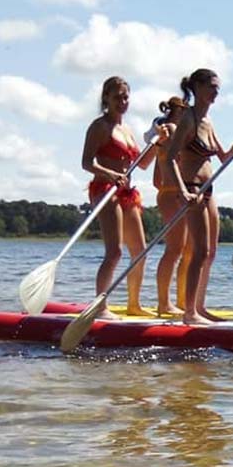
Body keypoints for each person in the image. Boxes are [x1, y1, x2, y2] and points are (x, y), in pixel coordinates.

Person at [164, 68, 233, 325]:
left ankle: (198, 306)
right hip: (191, 188)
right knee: (199, 251)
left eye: (218, 87)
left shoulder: (208, 122)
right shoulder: (188, 118)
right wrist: (183, 191)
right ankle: (189, 313)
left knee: (209, 251)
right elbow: (170, 159)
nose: (215, 91)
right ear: (196, 87)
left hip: (208, 189)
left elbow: (222, 156)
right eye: (211, 86)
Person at [80, 75, 155, 318]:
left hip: (127, 193)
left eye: (125, 97)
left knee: (140, 251)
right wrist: (111, 174)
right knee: (115, 252)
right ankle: (100, 307)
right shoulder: (99, 127)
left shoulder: (127, 130)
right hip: (105, 191)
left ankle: (134, 304)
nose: (122, 102)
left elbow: (142, 164)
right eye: (117, 97)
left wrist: (158, 144)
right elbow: (86, 163)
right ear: (106, 99)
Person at [145, 96, 191, 316]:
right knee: (175, 250)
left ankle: (179, 301)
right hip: (173, 195)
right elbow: (174, 162)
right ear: (179, 112)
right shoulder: (171, 130)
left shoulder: (166, 133)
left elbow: (156, 178)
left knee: (182, 250)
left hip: (169, 193)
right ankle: (165, 303)